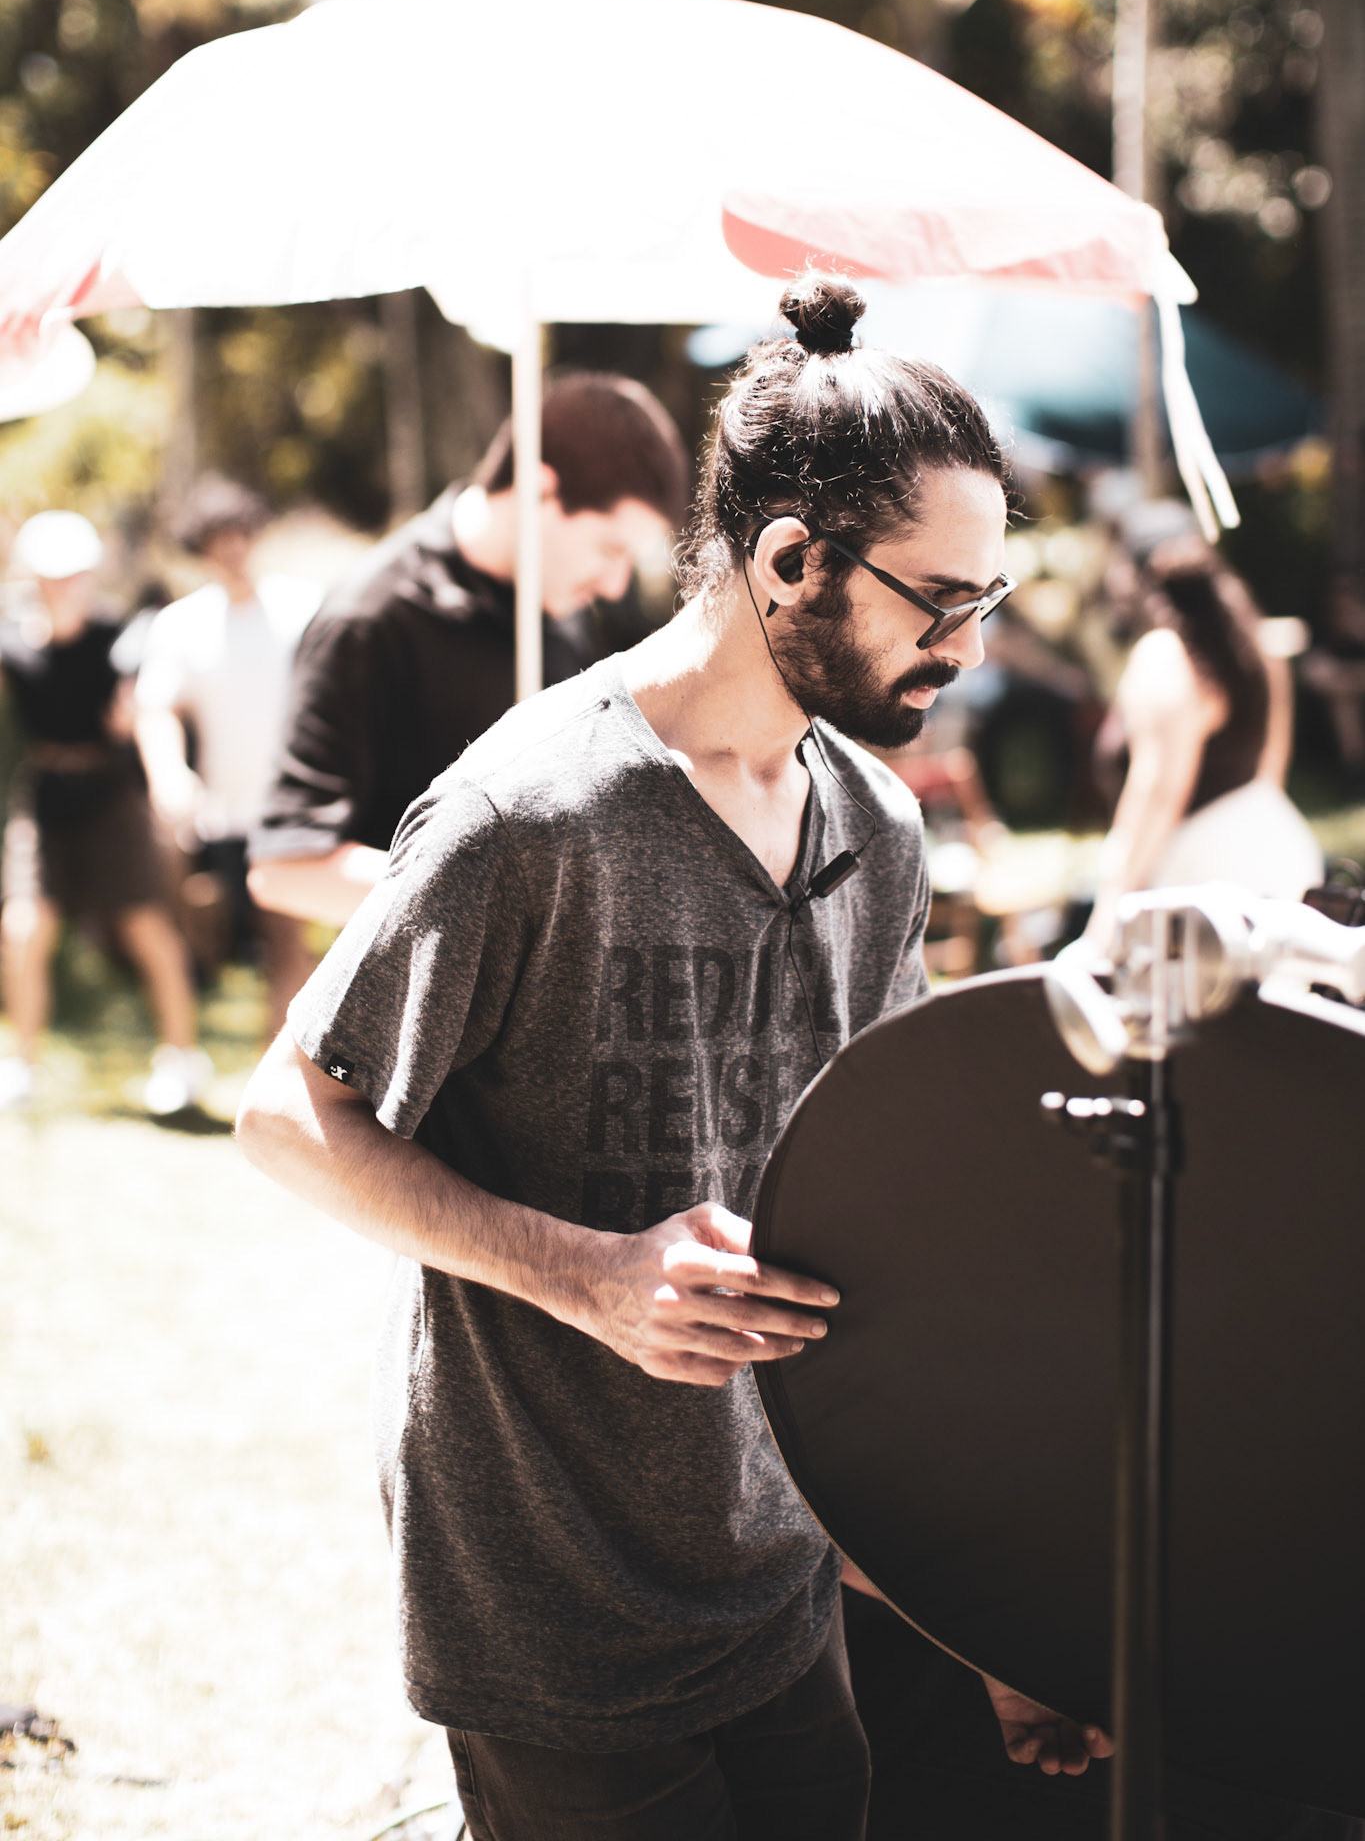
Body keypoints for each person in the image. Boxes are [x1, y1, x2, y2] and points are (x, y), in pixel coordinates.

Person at [237, 274, 1111, 1841]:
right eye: (939, 602)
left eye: (987, 601)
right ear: (786, 560)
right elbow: (287, 1114)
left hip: (781, 1587)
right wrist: (587, 1276)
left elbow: (868, 1240)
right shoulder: (524, 813)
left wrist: (966, 1617)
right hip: (551, 1602)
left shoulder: (880, 830)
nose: (969, 650)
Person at [247, 371, 691, 927]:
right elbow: (286, 870)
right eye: (610, 549)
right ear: (539, 490)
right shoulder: (369, 618)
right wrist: (498, 902)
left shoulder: (561, 608)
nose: (615, 586)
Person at [0, 511, 209, 1115]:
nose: (67, 585)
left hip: (111, 798)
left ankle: (181, 1060)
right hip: (44, 796)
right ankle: (22, 1065)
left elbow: (145, 713)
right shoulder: (14, 642)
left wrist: (149, 751)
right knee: (23, 929)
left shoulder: (121, 640)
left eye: (76, 574)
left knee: (144, 927)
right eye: (54, 575)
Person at [1084, 503, 1322, 954]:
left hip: (1207, 885)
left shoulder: (1165, 658)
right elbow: (1272, 765)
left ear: (1131, 575)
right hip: (1281, 850)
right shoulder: (1258, 642)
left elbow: (1159, 794)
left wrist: (1108, 917)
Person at [134, 477, 320, 1033]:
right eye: (218, 541)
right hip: (222, 817)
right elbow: (156, 708)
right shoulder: (181, 624)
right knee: (221, 939)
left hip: (294, 810)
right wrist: (168, 775)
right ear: (201, 549)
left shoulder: (304, 608)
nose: (233, 550)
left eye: (241, 535)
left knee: (285, 942)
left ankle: (284, 1068)